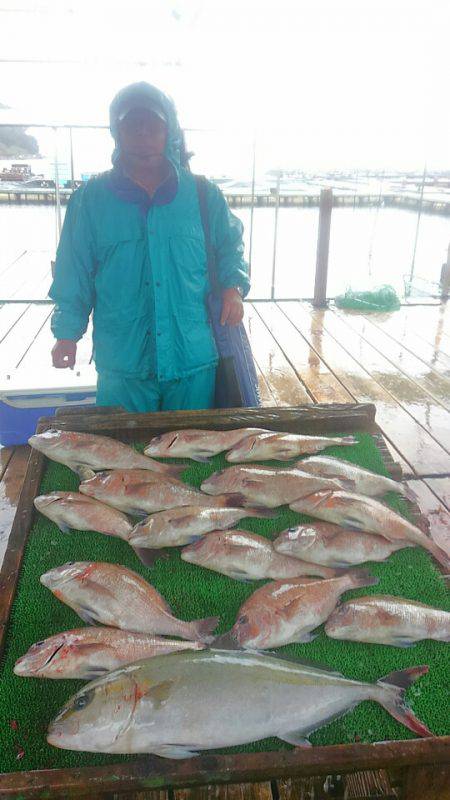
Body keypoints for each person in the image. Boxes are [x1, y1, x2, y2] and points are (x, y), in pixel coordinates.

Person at [49, 81, 250, 412]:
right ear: (117, 131)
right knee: (125, 455)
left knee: (193, 455)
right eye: (133, 126)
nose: (143, 136)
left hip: (192, 362)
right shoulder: (89, 200)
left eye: (153, 126)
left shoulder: (203, 194)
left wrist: (233, 287)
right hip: (123, 368)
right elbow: (74, 272)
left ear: (168, 130)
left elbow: (230, 246)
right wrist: (67, 334)